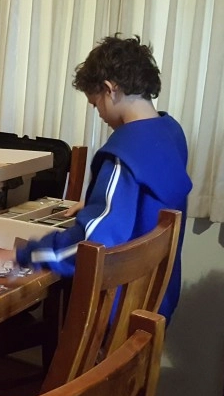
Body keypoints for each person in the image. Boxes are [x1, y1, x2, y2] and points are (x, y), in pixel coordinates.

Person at [15, 34, 192, 320]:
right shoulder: (170, 132)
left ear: (110, 89)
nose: (99, 114)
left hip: (116, 312)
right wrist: (102, 203)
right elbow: (148, 195)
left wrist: (29, 253)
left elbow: (91, 247)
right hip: (156, 301)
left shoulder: (123, 155)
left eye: (96, 104)